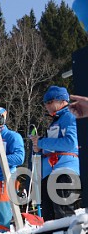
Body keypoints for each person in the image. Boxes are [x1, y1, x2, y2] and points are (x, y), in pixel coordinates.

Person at [31, 86, 80, 220]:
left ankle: (68, 233)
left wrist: (41, 142)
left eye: (49, 102)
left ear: (62, 100)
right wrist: (39, 149)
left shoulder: (70, 116)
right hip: (50, 171)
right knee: (49, 215)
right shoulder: (55, 122)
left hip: (64, 169)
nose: (46, 105)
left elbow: (70, 143)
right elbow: (53, 145)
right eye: (45, 103)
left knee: (63, 212)